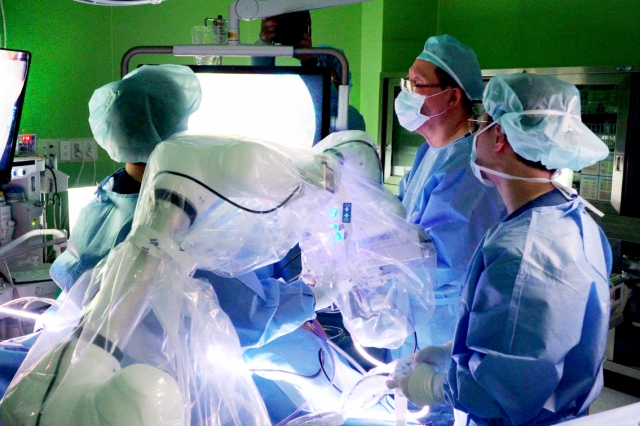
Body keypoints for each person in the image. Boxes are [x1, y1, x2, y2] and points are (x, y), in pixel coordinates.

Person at [388, 73, 612, 426]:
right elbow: (530, 341)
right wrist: (453, 353)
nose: (473, 135)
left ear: (500, 137)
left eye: (480, 123)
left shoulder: (522, 253)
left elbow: (504, 394)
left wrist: (434, 387)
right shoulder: (573, 220)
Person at [391, 34, 506, 360]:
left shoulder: (467, 171)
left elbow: (444, 265)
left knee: (432, 399)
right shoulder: (429, 152)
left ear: (452, 98)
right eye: (407, 82)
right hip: (414, 313)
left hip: (441, 326)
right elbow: (400, 218)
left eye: (417, 84)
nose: (406, 93)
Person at [252, 14, 366, 134]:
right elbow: (264, 86)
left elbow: (327, 111)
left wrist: (310, 63)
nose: (321, 83)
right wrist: (264, 44)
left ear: (343, 86)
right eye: (317, 77)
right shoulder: (291, 110)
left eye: (329, 79)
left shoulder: (353, 119)